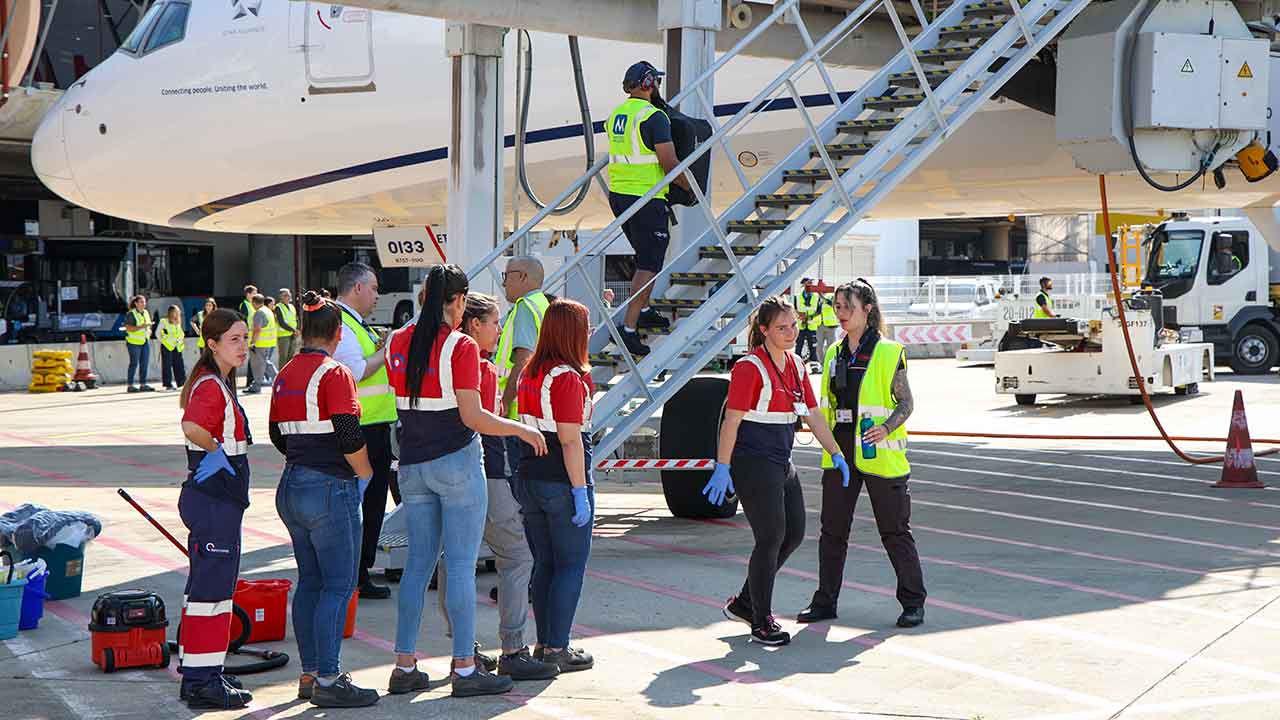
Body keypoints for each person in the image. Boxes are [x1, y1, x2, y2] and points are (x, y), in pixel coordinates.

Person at [385, 264, 547, 698]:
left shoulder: (396, 341)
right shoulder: (458, 346)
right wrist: (520, 429)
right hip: (456, 462)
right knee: (458, 567)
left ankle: (404, 664)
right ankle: (464, 667)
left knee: (418, 567)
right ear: (457, 302)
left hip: (413, 467)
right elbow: (472, 416)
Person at [705, 296, 849, 646]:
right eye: (782, 327)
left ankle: (744, 603)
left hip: (781, 459)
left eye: (794, 326)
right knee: (769, 537)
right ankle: (761, 620)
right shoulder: (749, 367)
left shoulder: (797, 364)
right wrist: (722, 466)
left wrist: (836, 452)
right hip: (753, 461)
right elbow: (732, 420)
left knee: (794, 533)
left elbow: (812, 414)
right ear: (764, 330)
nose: (790, 332)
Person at [436, 293, 560, 682]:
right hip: (485, 471)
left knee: (452, 560)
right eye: (494, 323)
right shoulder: (480, 368)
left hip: (438, 467)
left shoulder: (440, 357)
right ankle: (512, 647)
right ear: (475, 325)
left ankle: (463, 648)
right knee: (518, 556)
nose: (500, 330)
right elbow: (483, 424)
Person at [269, 292, 380, 708]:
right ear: (338, 333)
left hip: (292, 485)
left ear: (302, 331)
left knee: (311, 581)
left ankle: (311, 672)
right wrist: (366, 474)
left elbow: (279, 434)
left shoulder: (284, 373)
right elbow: (350, 435)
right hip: (329, 487)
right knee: (339, 584)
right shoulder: (334, 374)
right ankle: (330, 679)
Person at [797, 279, 926, 628]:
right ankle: (825, 601)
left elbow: (907, 402)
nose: (840, 313)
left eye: (846, 306)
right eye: (837, 306)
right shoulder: (832, 352)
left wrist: (886, 427)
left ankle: (913, 601)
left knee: (894, 530)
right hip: (840, 451)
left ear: (866, 310)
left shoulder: (888, 351)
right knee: (832, 531)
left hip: (878, 453)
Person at [512, 299, 598, 672]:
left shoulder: (531, 371)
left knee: (545, 564)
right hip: (561, 480)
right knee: (570, 565)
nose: (590, 333)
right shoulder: (565, 377)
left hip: (530, 475)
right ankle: (556, 647)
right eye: (586, 327)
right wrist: (580, 490)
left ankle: (544, 642)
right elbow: (569, 438)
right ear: (573, 333)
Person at [176, 309, 253, 709]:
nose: (244, 346)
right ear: (212, 344)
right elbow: (192, 426)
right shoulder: (210, 386)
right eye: (235, 340)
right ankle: (202, 681)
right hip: (214, 502)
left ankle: (203, 671)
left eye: (245, 338)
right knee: (212, 594)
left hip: (217, 501)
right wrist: (217, 455)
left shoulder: (218, 383)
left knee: (207, 591)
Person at [605, 60, 690, 357]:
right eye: (656, 82)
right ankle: (628, 328)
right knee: (650, 263)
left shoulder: (617, 114)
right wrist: (690, 186)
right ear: (648, 83)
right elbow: (669, 163)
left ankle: (645, 309)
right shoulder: (654, 117)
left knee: (646, 256)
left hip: (620, 196)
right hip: (646, 197)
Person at [332, 262, 398, 600]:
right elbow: (354, 372)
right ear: (357, 288)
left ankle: (359, 571)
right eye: (373, 288)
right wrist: (385, 354)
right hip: (362, 429)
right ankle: (357, 574)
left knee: (371, 503)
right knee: (366, 504)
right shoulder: (342, 325)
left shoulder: (353, 324)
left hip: (372, 426)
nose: (377, 296)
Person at [496, 256, 550, 479]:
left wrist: (505, 404)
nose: (504, 283)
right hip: (535, 406)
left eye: (506, 276)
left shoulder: (525, 308)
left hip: (518, 413)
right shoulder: (544, 305)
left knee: (516, 483)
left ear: (522, 277)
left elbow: (523, 362)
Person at [246, 294, 278, 394]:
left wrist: (252, 342)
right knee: (264, 363)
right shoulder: (268, 310)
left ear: (254, 303)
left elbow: (257, 329)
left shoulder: (259, 313)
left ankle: (258, 385)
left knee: (258, 365)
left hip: (260, 343)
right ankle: (277, 380)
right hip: (268, 342)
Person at [124, 294, 156, 393]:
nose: (143, 304)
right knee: (134, 363)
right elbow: (129, 328)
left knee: (144, 363)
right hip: (133, 342)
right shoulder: (131, 314)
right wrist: (142, 326)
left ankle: (143, 384)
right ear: (136, 303)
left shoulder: (146, 312)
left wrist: (148, 329)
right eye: (141, 302)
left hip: (144, 341)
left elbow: (147, 325)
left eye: (144, 302)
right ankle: (130, 385)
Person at [158, 304, 188, 390]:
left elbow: (180, 334)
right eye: (175, 312)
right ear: (171, 313)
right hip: (167, 346)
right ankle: (168, 384)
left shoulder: (178, 323)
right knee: (167, 366)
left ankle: (181, 383)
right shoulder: (164, 321)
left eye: (178, 312)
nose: (177, 314)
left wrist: (180, 340)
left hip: (177, 347)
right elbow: (157, 333)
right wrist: (163, 341)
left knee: (179, 364)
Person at [793, 279, 822, 364]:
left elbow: (819, 311)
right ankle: (796, 365)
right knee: (798, 347)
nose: (810, 285)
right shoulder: (797, 297)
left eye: (811, 283)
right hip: (801, 326)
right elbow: (793, 309)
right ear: (803, 285)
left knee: (813, 348)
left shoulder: (816, 296)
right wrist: (799, 315)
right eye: (808, 283)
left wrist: (809, 317)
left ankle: (814, 366)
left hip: (811, 325)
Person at [276, 289, 300, 364]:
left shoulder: (292, 306)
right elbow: (281, 322)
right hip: (284, 336)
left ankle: (288, 375)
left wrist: (298, 329)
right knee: (283, 358)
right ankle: (282, 375)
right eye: (285, 295)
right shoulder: (278, 307)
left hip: (293, 335)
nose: (288, 297)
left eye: (289, 295)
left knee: (291, 358)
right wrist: (294, 330)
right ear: (281, 297)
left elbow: (296, 319)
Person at [819, 290, 839, 364]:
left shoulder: (831, 296)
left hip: (831, 326)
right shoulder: (818, 298)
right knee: (819, 347)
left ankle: (830, 363)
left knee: (831, 346)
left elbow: (832, 304)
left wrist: (823, 298)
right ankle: (822, 364)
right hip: (820, 325)